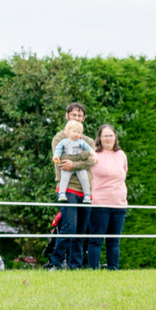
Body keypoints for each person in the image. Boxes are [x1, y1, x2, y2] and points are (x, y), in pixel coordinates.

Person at [46, 102, 94, 270]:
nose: (77, 118)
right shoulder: (60, 138)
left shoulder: (87, 140)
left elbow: (93, 160)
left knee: (80, 231)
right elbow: (62, 160)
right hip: (67, 189)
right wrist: (81, 160)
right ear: (67, 117)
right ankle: (55, 262)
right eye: (74, 115)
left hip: (86, 190)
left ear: (84, 119)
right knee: (69, 227)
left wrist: (74, 165)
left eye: (80, 116)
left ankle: (76, 265)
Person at [85, 124, 129, 270]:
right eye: (105, 136)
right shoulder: (94, 155)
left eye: (111, 135)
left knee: (114, 241)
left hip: (119, 204)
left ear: (115, 137)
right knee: (96, 240)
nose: (108, 138)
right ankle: (93, 269)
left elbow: (123, 174)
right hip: (99, 204)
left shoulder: (121, 155)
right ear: (100, 138)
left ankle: (113, 268)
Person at [53, 120, 94, 203]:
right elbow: (58, 151)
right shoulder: (62, 141)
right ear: (68, 132)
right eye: (74, 131)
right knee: (64, 177)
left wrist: (93, 155)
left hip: (80, 168)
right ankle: (62, 193)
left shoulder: (82, 142)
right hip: (67, 170)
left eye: (79, 132)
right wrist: (56, 156)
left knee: (84, 177)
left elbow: (90, 151)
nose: (77, 134)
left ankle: (87, 195)